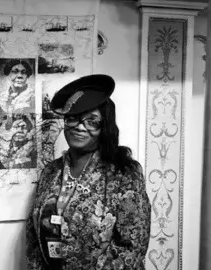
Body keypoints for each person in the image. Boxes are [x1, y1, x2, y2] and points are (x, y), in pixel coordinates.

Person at [26, 74, 151, 269]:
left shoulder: (124, 173)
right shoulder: (51, 172)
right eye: (73, 119)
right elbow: (33, 237)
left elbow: (132, 246)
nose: (80, 127)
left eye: (91, 121)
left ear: (105, 126)